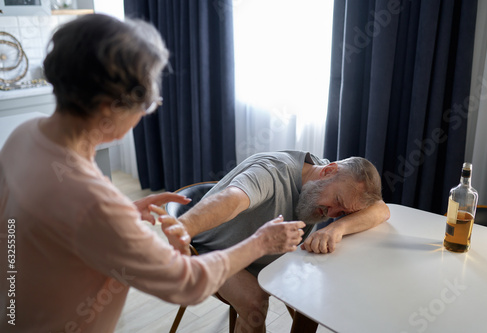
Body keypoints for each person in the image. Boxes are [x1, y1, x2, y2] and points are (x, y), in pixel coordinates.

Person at [0, 14, 305, 332]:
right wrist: (259, 242)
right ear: (108, 107)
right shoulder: (93, 202)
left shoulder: (24, 134)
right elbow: (187, 284)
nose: (144, 116)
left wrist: (120, 218)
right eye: (146, 104)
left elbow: (36, 225)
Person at [166, 150, 391, 332]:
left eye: (342, 211)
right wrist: (183, 228)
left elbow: (381, 210)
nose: (331, 213)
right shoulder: (271, 171)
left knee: (320, 290)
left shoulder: (331, 179)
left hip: (265, 256)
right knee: (255, 303)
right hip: (213, 250)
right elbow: (232, 199)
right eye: (337, 201)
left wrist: (338, 227)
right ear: (328, 171)